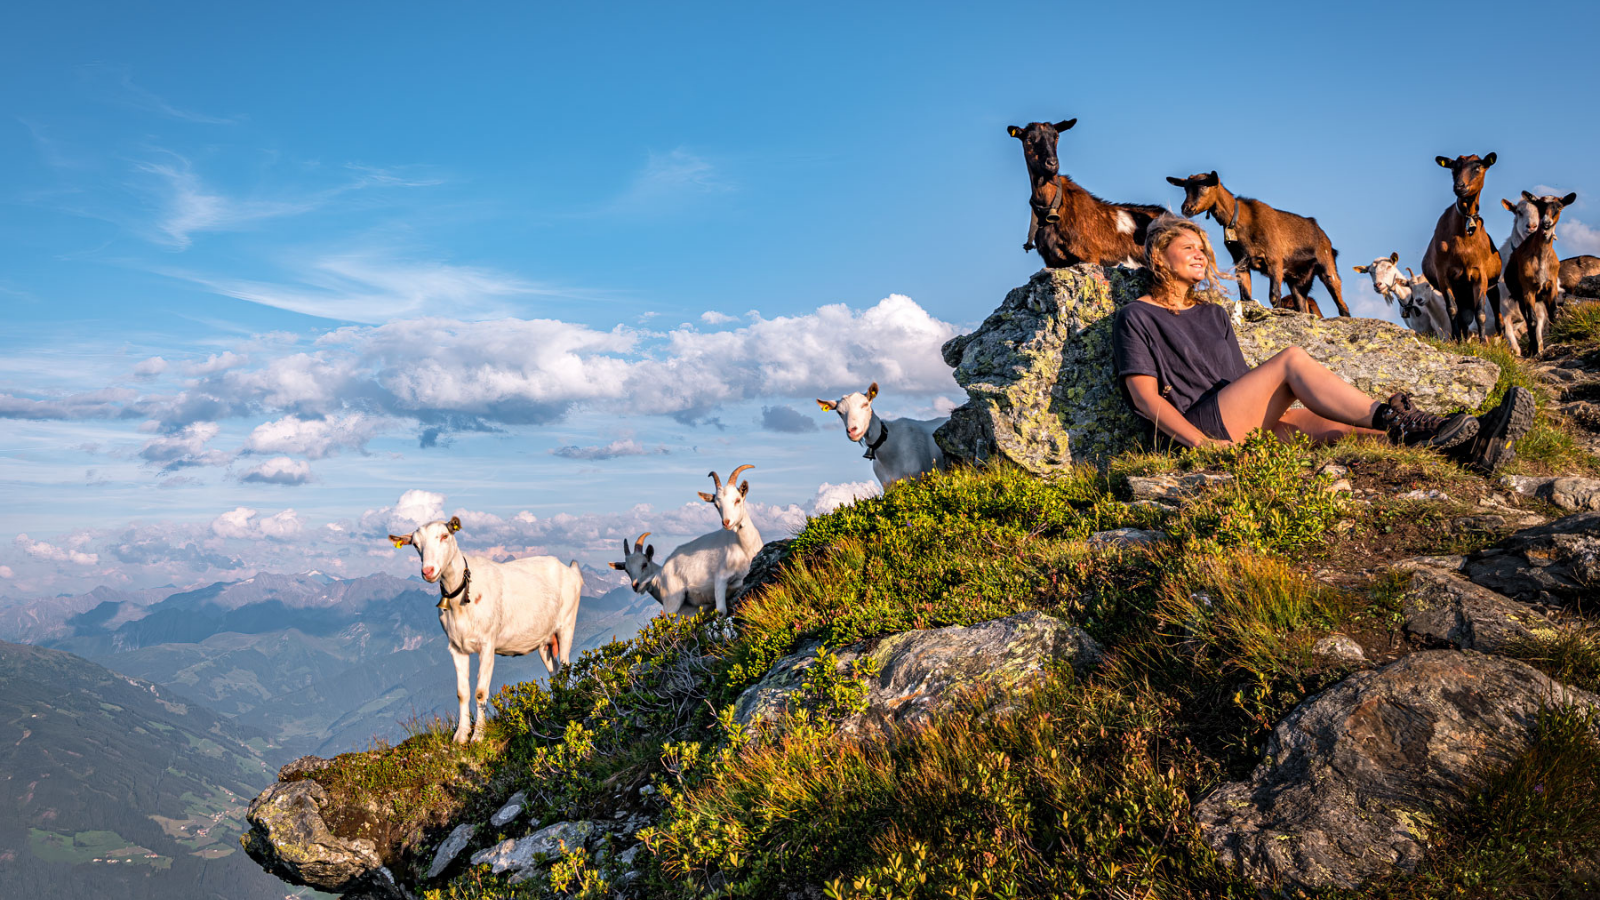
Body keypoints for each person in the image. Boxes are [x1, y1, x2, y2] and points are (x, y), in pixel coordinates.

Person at [1111, 213, 1533, 474]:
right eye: (1188, 248)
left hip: (1238, 418)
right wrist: (1203, 447)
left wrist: (1283, 415)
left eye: (1203, 248)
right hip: (1198, 429)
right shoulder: (1137, 316)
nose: (1201, 255)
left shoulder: (1213, 314)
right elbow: (1146, 401)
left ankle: (1464, 442)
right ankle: (1396, 416)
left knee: (1346, 431)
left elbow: (1240, 381)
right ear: (1158, 256)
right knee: (1292, 360)